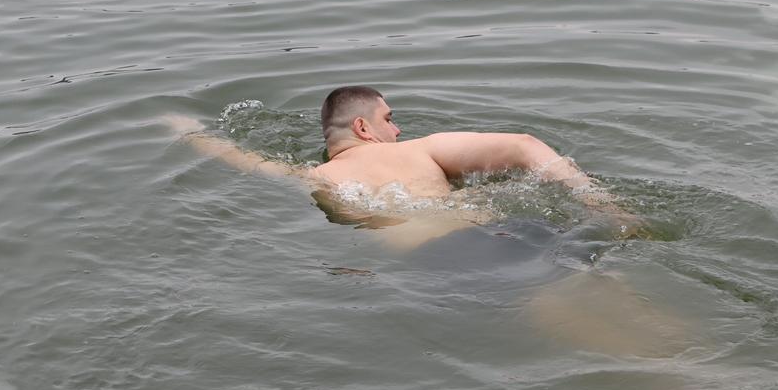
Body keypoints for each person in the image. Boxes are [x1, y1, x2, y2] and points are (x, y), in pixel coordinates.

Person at [162, 85, 642, 242]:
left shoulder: (311, 176)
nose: (399, 131)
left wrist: (181, 127)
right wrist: (603, 203)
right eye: (390, 119)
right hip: (512, 231)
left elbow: (238, 157)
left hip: (442, 265)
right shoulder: (417, 150)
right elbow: (522, 144)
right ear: (364, 130)